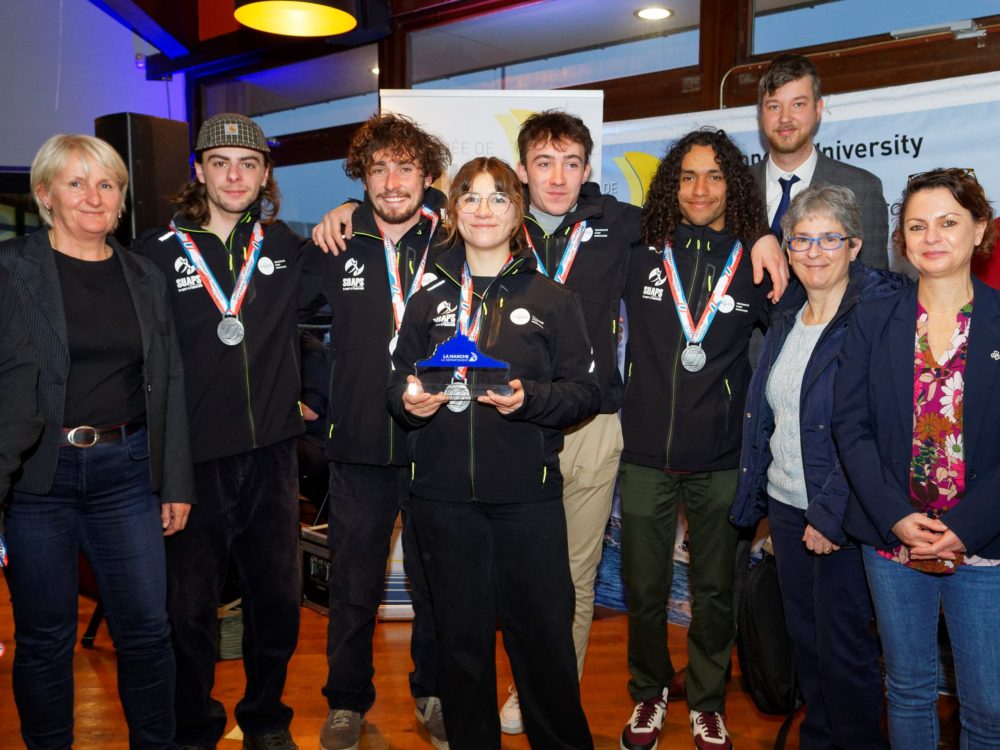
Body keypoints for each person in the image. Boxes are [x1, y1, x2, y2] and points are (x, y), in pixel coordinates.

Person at [313, 110, 790, 735]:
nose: (556, 177)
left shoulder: (616, 228)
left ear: (586, 170)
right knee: (461, 616)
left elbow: (699, 212)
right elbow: (398, 362)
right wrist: (407, 396)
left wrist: (760, 234)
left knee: (562, 589)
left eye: (570, 162)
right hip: (461, 460)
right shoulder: (437, 283)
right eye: (542, 163)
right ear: (516, 180)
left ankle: (542, 696)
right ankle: (452, 707)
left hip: (575, 432)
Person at [387, 156, 599, 750]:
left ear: (518, 210)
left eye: (498, 198)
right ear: (453, 211)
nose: (484, 210)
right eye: (471, 198)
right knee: (460, 647)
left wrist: (530, 398)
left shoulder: (553, 299)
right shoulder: (427, 297)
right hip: (443, 500)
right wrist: (410, 402)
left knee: (543, 644)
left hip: (525, 500)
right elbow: (396, 381)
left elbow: (588, 392)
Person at [0, 133, 194, 749]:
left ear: (121, 201)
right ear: (44, 195)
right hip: (37, 479)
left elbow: (168, 382)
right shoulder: (10, 271)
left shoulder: (143, 275)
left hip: (128, 474)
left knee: (146, 631)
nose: (93, 196)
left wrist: (175, 480)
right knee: (44, 637)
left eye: (107, 184)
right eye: (76, 182)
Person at [133, 113, 315, 750]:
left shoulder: (289, 246)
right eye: (220, 163)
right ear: (199, 172)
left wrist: (312, 395)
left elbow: (348, 319)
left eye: (248, 164)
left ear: (265, 174)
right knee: (187, 612)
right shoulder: (154, 254)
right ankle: (195, 723)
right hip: (192, 461)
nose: (234, 175)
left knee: (279, 605)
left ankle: (265, 719)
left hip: (271, 458)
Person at [731, 185, 903, 750]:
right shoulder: (786, 314)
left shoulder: (877, 314)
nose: (815, 251)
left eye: (830, 238)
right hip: (787, 505)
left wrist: (830, 513)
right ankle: (821, 738)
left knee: (845, 649)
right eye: (802, 238)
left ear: (855, 245)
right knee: (807, 641)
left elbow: (876, 428)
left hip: (843, 515)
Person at [834, 168, 1000, 749]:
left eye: (949, 222)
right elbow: (848, 426)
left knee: (989, 707)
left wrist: (965, 527)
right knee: (906, 691)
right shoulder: (874, 319)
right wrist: (895, 517)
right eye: (917, 226)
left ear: (980, 229)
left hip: (983, 547)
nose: (932, 236)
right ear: (901, 240)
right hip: (893, 540)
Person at [300, 112, 450, 750]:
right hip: (358, 445)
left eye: (406, 167)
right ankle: (346, 701)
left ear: (426, 177)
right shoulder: (334, 244)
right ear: (361, 177)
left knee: (437, 584)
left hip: (437, 444)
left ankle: (434, 692)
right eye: (378, 167)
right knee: (354, 587)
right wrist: (310, 397)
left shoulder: (452, 240)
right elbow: (287, 322)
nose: (393, 181)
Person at [619, 128, 771, 750]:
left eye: (713, 176)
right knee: (645, 585)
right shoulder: (639, 251)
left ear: (732, 185)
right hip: (647, 454)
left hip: (721, 457)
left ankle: (707, 700)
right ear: (670, 186)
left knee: (715, 590)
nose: (700, 189)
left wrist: (767, 236)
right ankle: (649, 695)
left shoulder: (757, 260)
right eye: (686, 176)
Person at [753, 54, 890, 271]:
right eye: (774, 106)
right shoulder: (735, 187)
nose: (785, 118)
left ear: (817, 109)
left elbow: (875, 286)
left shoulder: (861, 189)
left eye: (797, 104)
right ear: (760, 113)